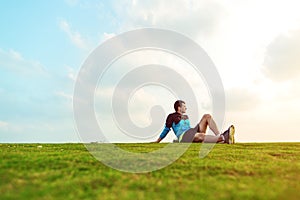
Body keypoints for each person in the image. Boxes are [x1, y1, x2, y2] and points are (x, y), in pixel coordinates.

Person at [154, 100, 235, 143]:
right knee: (200, 136)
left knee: (207, 116)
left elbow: (189, 129)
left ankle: (220, 136)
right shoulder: (171, 116)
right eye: (184, 107)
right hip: (183, 136)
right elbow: (166, 129)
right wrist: (157, 141)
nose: (186, 108)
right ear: (179, 108)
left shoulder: (186, 116)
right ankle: (223, 138)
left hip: (191, 132)